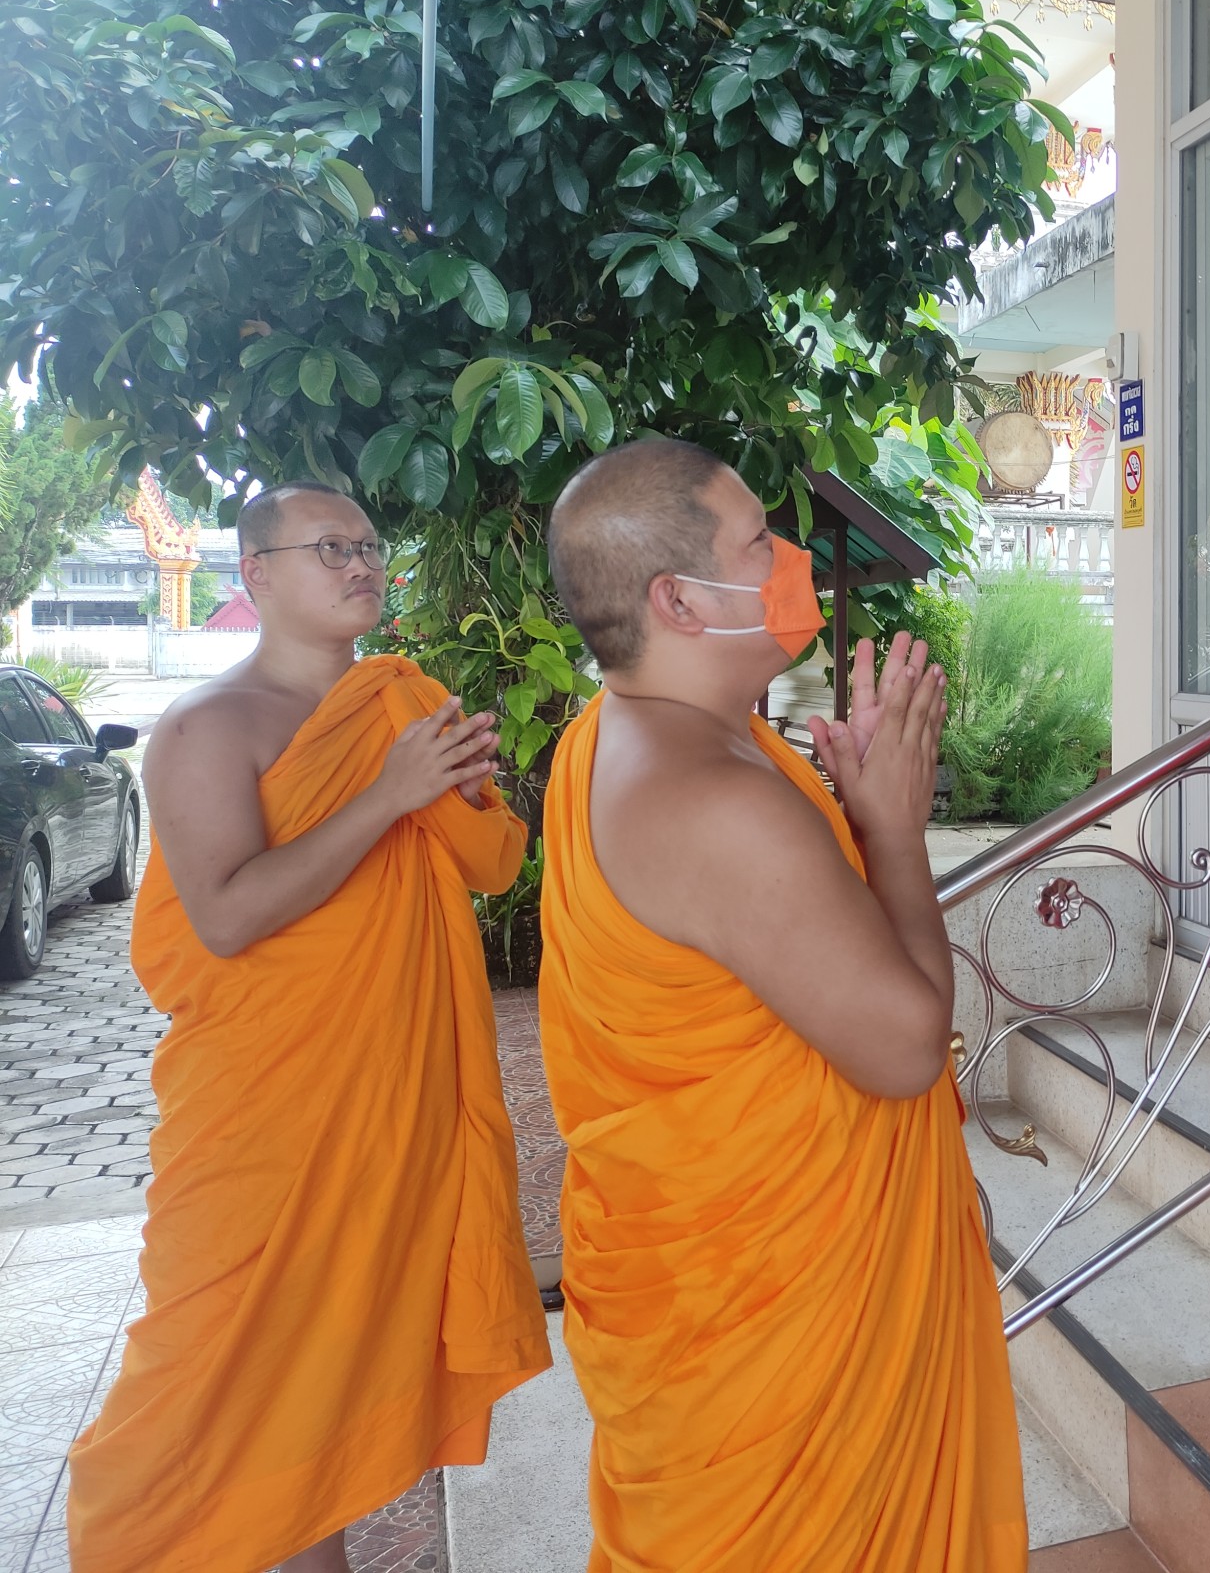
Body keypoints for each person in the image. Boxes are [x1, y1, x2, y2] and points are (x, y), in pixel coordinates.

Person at [538, 437, 1026, 1572]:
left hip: (736, 1286)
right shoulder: (712, 797)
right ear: (678, 601)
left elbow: (763, 946)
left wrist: (847, 822)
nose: (791, 558)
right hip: (771, 1315)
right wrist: (894, 830)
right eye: (758, 541)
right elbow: (904, 1049)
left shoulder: (618, 736)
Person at [69, 482, 550, 1572]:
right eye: (330, 548)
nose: (361, 563)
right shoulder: (206, 728)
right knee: (213, 1371)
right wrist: (387, 795)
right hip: (262, 1116)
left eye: (368, 545)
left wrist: (456, 787)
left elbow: (488, 867)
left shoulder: (399, 705)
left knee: (326, 1377)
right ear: (257, 575)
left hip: (391, 1103)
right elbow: (228, 916)